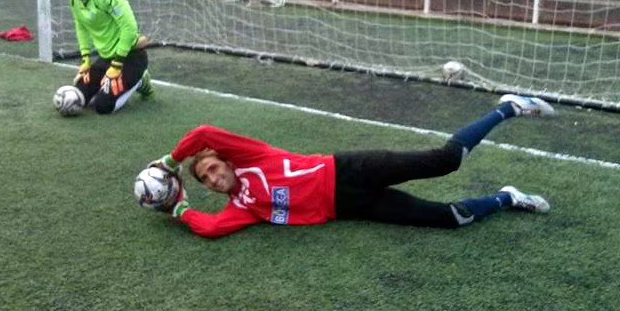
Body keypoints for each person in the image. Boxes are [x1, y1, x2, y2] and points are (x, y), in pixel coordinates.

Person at [148, 94, 556, 239]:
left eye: (214, 167)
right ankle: (507, 197)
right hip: (353, 207)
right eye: (207, 179)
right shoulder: (244, 208)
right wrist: (179, 207)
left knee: (446, 160)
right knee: (451, 219)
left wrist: (171, 162)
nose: (215, 177)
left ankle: (509, 107)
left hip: (350, 169)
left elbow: (203, 133)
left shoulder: (252, 157)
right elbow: (211, 228)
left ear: (225, 160)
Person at [64, 0, 154, 114]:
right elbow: (81, 25)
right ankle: (112, 85)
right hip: (106, 59)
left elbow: (129, 28)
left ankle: (140, 81)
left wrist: (117, 65)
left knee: (103, 106)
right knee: (80, 95)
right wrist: (86, 58)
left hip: (130, 57)